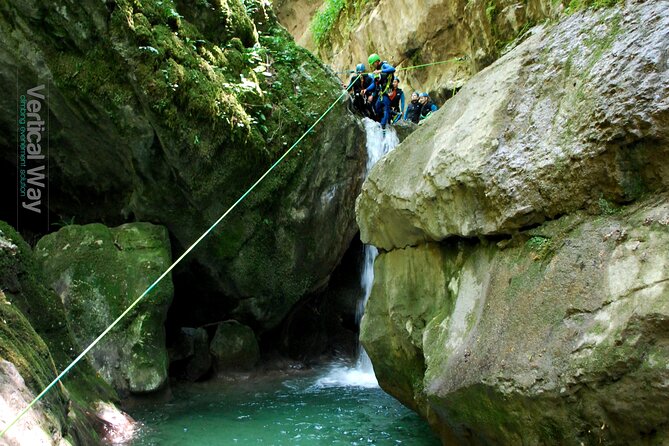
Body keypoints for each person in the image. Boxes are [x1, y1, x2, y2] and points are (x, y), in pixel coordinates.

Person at [365, 53, 396, 129]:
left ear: (377, 61)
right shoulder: (376, 71)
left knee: (385, 108)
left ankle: (383, 125)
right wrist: (366, 89)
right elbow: (374, 84)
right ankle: (393, 113)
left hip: (387, 91)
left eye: (373, 64)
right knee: (377, 107)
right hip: (381, 92)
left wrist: (380, 71)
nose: (372, 66)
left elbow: (392, 69)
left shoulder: (384, 65)